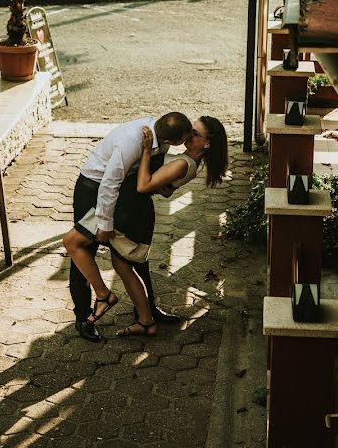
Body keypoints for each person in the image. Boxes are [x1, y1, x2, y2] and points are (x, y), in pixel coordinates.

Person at [62, 113, 192, 342]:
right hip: (93, 189)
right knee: (84, 252)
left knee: (133, 253)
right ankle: (83, 317)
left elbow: (146, 175)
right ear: (174, 140)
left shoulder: (158, 138)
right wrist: (105, 223)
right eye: (187, 136)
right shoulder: (133, 141)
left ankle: (146, 312)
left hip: (122, 191)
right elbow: (109, 183)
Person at [108, 116, 228, 337]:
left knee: (123, 265)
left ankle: (145, 319)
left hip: (135, 214)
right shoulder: (189, 162)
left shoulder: (183, 163)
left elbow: (143, 186)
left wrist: (145, 150)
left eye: (194, 134)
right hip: (140, 213)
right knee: (135, 263)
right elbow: (167, 189)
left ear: (207, 143)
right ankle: (147, 311)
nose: (187, 136)